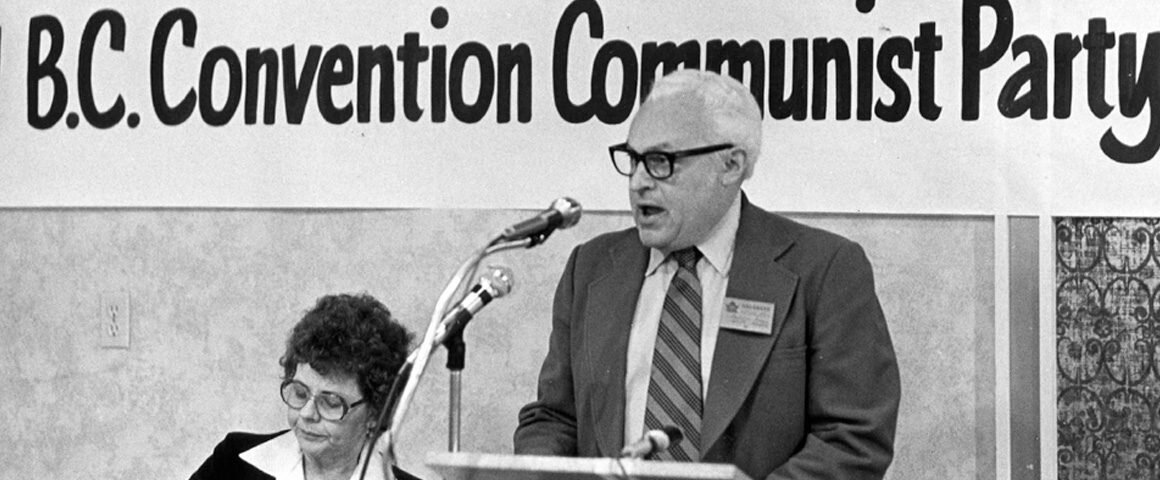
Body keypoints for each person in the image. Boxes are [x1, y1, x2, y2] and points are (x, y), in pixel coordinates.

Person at [513, 69, 901, 479]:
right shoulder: (590, 268)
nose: (640, 182)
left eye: (661, 162)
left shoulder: (823, 269)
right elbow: (555, 417)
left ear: (730, 165)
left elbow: (853, 439)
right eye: (634, 160)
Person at [191, 293, 419, 480]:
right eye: (300, 393)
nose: (307, 413)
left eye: (330, 402)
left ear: (375, 413)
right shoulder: (231, 463)